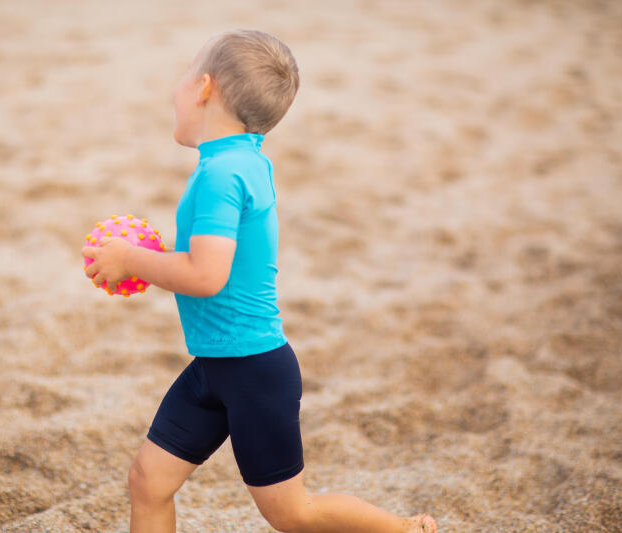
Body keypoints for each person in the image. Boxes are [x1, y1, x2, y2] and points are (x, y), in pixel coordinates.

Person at [82, 29, 437, 533]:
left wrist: (133, 259)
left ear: (204, 88)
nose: (176, 88)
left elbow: (205, 275)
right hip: (215, 365)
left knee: (292, 514)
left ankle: (407, 531)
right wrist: (152, 255)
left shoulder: (222, 174)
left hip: (253, 371)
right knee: (148, 482)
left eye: (185, 74)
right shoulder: (240, 160)